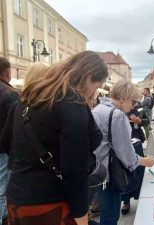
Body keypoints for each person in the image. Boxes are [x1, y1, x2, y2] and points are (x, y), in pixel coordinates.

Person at [1, 51, 108, 225]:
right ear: (88, 77)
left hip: (17, 199)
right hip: (50, 204)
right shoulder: (73, 103)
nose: (93, 94)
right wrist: (81, 217)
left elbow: (6, 143)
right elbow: (75, 168)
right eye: (96, 87)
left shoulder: (29, 96)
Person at [92, 79, 154, 225]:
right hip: (110, 173)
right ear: (123, 99)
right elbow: (125, 153)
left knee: (106, 214)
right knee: (110, 217)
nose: (133, 106)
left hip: (97, 171)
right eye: (133, 102)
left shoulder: (97, 109)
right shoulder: (117, 115)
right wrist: (143, 161)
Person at [121, 101, 149, 215]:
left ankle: (141, 196)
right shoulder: (120, 108)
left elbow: (146, 121)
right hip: (123, 142)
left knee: (139, 169)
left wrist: (139, 121)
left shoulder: (140, 108)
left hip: (137, 140)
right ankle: (126, 202)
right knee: (126, 171)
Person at [0, 57, 18, 225]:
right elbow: (16, 127)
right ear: (7, 72)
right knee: (2, 189)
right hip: (4, 150)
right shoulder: (10, 94)